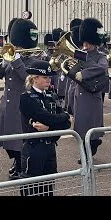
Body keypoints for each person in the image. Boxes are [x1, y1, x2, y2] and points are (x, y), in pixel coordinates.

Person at [0, 17, 41, 179]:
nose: (17, 47)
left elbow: (28, 79)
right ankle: (15, 160)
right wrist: (3, 61)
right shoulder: (11, 57)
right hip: (7, 104)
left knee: (19, 139)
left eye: (19, 45)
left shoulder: (35, 60)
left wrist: (17, 61)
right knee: (7, 139)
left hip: (21, 105)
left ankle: (20, 164)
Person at [18, 59, 71, 196]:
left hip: (50, 146)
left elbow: (66, 124)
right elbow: (48, 117)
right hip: (34, 148)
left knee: (48, 188)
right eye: (45, 77)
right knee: (31, 186)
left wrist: (50, 129)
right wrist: (64, 116)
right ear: (35, 79)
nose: (49, 80)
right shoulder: (26, 98)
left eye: (49, 77)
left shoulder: (52, 95)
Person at [68, 17, 108, 159]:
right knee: (80, 128)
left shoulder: (100, 56)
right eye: (85, 42)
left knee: (91, 127)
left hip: (92, 96)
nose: (86, 45)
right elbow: (71, 70)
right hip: (78, 96)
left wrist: (84, 73)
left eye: (89, 42)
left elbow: (102, 67)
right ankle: (85, 152)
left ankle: (91, 147)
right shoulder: (79, 53)